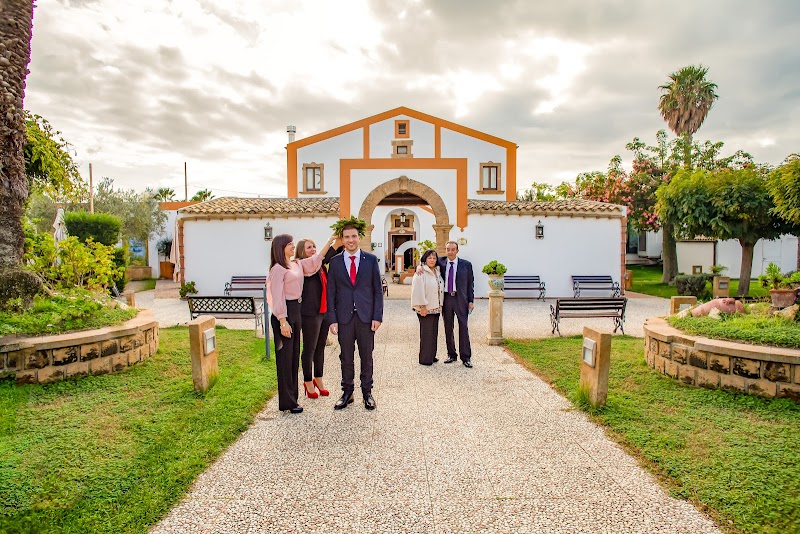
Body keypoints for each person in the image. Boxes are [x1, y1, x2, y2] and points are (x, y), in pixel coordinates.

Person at [266, 233, 336, 413]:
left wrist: (330, 240)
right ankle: (287, 402)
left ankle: (293, 399)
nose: (292, 245)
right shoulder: (277, 269)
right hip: (285, 315)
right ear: (280, 248)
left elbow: (316, 261)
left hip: (296, 311)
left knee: (294, 357)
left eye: (292, 243)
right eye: (289, 244)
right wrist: (282, 321)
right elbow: (277, 296)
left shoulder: (296, 264)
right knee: (285, 359)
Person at [326, 223, 384, 410]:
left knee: (366, 356)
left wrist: (377, 316)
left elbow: (377, 291)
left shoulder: (371, 260)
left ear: (359, 237)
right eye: (347, 237)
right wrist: (332, 319)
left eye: (353, 236)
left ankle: (367, 393)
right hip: (344, 318)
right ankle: (347, 392)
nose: (350, 240)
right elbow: (331, 293)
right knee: (346, 357)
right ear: (342, 240)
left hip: (366, 317)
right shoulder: (334, 262)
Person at [295, 237, 340, 399]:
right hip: (309, 313)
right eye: (309, 247)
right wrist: (330, 241)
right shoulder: (302, 266)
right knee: (309, 348)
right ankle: (307, 381)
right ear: (301, 251)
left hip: (323, 312)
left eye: (314, 246)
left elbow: (326, 256)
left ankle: (318, 379)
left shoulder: (319, 266)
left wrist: (338, 242)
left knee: (320, 347)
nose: (313, 249)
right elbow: (318, 259)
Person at [439, 241, 475, 367]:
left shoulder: (466, 265)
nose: (450, 252)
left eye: (453, 249)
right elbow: (426, 260)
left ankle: (466, 357)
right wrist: (420, 267)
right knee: (448, 327)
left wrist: (471, 301)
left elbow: (470, 284)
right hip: (447, 299)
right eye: (448, 249)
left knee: (463, 327)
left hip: (461, 299)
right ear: (446, 250)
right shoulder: (441, 262)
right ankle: (451, 354)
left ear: (457, 251)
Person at [411, 249, 444, 366]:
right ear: (425, 259)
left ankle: (432, 355)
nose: (432, 260)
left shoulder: (437, 271)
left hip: (436, 308)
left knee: (433, 333)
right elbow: (418, 291)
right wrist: (422, 307)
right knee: (426, 334)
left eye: (434, 258)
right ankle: (425, 359)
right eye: (429, 258)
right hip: (426, 308)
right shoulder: (420, 273)